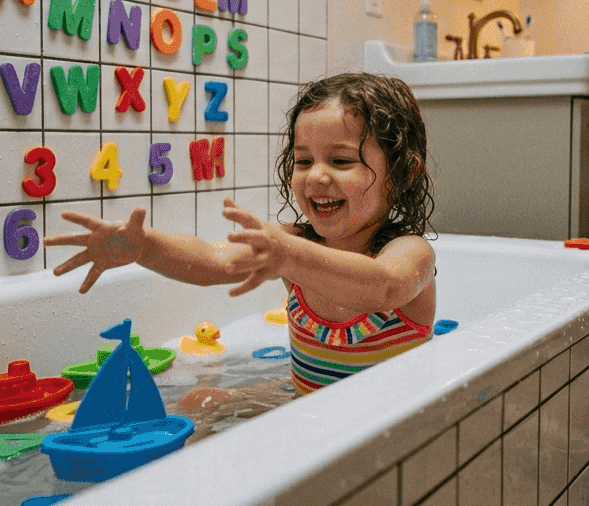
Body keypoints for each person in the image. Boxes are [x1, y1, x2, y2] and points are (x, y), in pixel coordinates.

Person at [46, 72, 437, 394]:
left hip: (385, 435)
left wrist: (291, 256)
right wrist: (145, 247)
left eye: (341, 160)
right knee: (204, 400)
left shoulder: (409, 252)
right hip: (308, 420)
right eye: (303, 160)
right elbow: (214, 260)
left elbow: (385, 287)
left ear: (403, 173)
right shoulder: (292, 245)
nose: (316, 175)